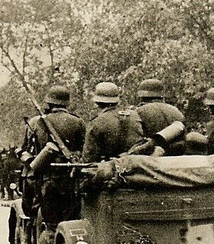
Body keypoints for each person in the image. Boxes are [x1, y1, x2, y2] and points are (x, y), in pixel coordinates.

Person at [20, 85, 87, 225]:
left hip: (45, 180)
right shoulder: (78, 122)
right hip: (71, 180)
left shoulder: (35, 122)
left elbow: (26, 150)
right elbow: (84, 150)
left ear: (49, 103)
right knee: (71, 221)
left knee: (49, 224)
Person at [82, 81, 145, 163]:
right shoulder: (134, 115)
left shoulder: (98, 121)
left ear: (97, 102)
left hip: (109, 169)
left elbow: (89, 156)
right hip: (134, 166)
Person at [135, 78, 186, 155]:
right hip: (176, 158)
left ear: (141, 96)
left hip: (151, 158)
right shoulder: (176, 110)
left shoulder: (138, 111)